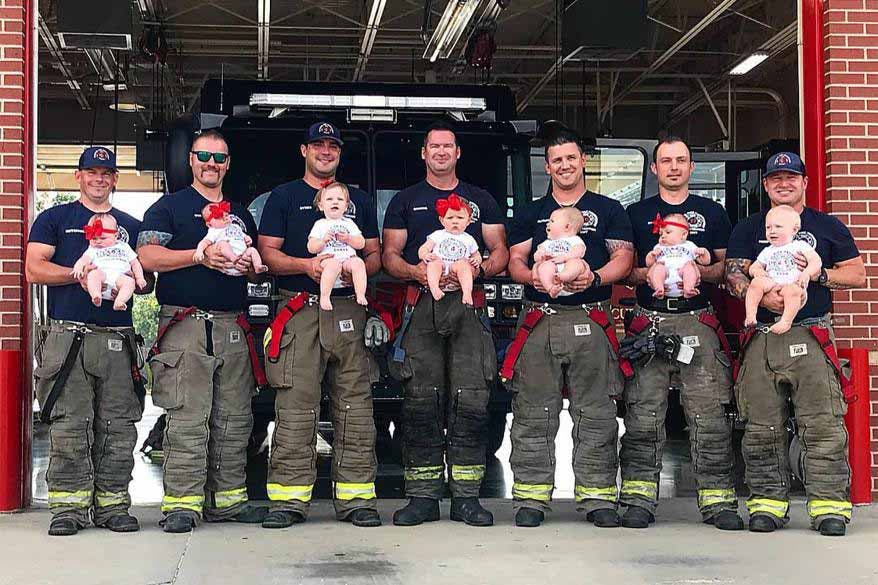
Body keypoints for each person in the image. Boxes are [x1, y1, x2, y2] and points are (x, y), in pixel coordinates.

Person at [725, 151, 865, 536]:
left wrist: (811, 280)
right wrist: (762, 296)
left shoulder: (828, 226)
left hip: (811, 331)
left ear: (805, 182)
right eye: (775, 179)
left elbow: (857, 275)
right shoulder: (749, 228)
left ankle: (830, 507)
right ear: (766, 185)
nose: (783, 184)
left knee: (822, 423)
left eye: (791, 177)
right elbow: (733, 275)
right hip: (763, 336)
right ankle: (767, 505)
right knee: (759, 425)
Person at [137, 129, 266, 533]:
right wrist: (197, 255)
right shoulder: (168, 208)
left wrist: (250, 266)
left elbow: (254, 259)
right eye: (204, 155)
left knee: (234, 419)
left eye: (220, 158)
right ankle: (182, 505)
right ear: (190, 160)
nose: (212, 163)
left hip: (232, 326)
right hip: (184, 324)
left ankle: (227, 502)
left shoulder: (241, 214)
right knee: (188, 417)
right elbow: (146, 256)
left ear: (228, 164)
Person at [257, 121, 385, 529]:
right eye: (318, 145)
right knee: (295, 406)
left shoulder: (359, 202)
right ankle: (289, 501)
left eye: (332, 146)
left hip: (349, 309)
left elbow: (376, 254)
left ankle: (356, 499)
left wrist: (355, 270)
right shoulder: (284, 197)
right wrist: (307, 266)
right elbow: (268, 256)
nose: (326, 151)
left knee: (356, 406)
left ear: (339, 154)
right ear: (304, 151)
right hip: (299, 310)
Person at [503, 130, 633, 528]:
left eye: (571, 158)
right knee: (532, 410)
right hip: (540, 317)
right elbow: (515, 260)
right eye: (556, 159)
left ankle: (597, 497)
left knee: (596, 411)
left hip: (591, 317)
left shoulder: (608, 209)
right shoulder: (530, 212)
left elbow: (624, 258)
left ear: (583, 160)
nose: (564, 165)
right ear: (547, 166)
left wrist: (593, 277)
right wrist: (533, 279)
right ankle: (530, 498)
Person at [382, 120, 508, 527]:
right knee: (421, 399)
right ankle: (422, 497)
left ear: (458, 153)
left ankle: (468, 498)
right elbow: (389, 255)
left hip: (469, 306)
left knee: (470, 398)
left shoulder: (480, 200)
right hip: (422, 304)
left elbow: (500, 250)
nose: (440, 152)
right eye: (433, 146)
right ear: (424, 153)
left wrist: (479, 269)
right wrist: (419, 274)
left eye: (447, 146)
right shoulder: (406, 200)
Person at [25, 146, 148, 536]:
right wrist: (78, 275)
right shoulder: (55, 218)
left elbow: (148, 281)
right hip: (68, 335)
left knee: (118, 424)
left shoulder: (130, 224)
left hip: (116, 337)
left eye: (106, 173)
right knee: (70, 423)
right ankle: (69, 507)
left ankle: (113, 505)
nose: (99, 179)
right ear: (78, 176)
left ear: (115, 179)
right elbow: (34, 269)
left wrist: (129, 279)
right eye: (91, 172)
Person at [622, 137, 742, 530]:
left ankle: (718, 500)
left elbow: (726, 269)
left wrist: (690, 269)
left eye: (681, 160)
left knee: (709, 414)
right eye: (666, 161)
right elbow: (625, 269)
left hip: (697, 319)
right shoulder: (636, 214)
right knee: (643, 412)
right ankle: (639, 499)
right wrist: (654, 273)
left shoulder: (714, 212)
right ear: (653, 168)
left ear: (692, 167)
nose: (674, 167)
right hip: (649, 319)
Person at [744, 205, 822, 334]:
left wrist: (807, 274)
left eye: (778, 227)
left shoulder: (800, 245)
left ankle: (786, 321)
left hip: (794, 286)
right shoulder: (768, 250)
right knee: (756, 284)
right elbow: (754, 266)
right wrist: (758, 272)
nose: (772, 231)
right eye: (768, 227)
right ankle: (751, 315)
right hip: (773, 285)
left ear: (794, 230)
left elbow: (816, 261)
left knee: (793, 290)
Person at [307, 181, 369, 310]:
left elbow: (361, 243)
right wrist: (323, 241)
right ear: (321, 205)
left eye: (340, 199)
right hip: (327, 259)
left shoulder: (349, 223)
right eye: (329, 199)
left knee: (359, 263)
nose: (335, 202)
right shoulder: (320, 224)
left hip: (347, 259)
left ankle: (360, 294)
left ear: (346, 206)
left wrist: (349, 239)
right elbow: (311, 247)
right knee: (333, 265)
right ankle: (325, 296)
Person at [72, 213, 147, 310]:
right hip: (102, 275)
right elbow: (83, 260)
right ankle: (95, 295)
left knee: (130, 282)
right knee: (93, 275)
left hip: (120, 276)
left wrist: (139, 277)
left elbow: (135, 263)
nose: (98, 241)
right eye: (94, 238)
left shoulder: (124, 246)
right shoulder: (92, 249)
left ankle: (120, 301)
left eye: (103, 238)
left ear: (115, 235)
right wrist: (77, 268)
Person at [419, 193, 481, 305]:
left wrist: (476, 261)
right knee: (434, 263)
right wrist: (425, 255)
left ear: (468, 221)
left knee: (464, 265)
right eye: (450, 218)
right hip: (441, 269)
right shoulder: (437, 235)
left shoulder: (469, 239)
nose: (455, 221)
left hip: (456, 273)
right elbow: (424, 248)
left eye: (460, 218)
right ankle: (434, 288)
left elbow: (476, 254)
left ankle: (467, 292)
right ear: (442, 220)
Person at [644, 212, 710, 299]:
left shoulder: (689, 245)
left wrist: (704, 252)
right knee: (659, 267)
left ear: (683, 235)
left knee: (689, 267)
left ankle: (689, 289)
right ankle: (659, 289)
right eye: (660, 234)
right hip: (665, 274)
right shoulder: (659, 247)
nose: (663, 236)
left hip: (682, 274)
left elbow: (705, 262)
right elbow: (649, 264)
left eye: (668, 232)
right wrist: (651, 255)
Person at [193, 201, 268, 275]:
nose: (225, 218)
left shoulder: (235, 226)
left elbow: (243, 235)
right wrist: (199, 251)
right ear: (209, 224)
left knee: (252, 250)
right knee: (223, 244)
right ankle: (233, 258)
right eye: (219, 217)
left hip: (243, 259)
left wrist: (247, 238)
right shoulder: (214, 231)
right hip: (228, 262)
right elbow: (204, 242)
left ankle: (258, 266)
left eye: (226, 215)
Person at [533, 207, 589, 298]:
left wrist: (565, 257)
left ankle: (563, 277)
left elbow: (579, 252)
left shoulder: (574, 240)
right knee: (544, 266)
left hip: (570, 275)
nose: (548, 224)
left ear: (567, 227)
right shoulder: (548, 242)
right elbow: (537, 255)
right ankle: (551, 288)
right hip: (552, 270)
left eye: (552, 221)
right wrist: (541, 257)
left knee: (576, 263)